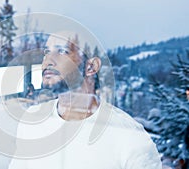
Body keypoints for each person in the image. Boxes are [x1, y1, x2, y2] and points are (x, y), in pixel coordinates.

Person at [8, 32, 162, 169]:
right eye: (47, 52)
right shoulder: (32, 119)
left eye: (62, 51)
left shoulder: (128, 135)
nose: (48, 61)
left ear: (91, 67)